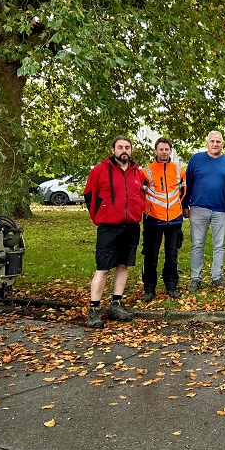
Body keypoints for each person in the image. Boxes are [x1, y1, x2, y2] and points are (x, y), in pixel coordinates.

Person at [83, 136, 146, 329]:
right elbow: (89, 196)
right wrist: (100, 217)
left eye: (127, 147)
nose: (124, 150)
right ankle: (94, 309)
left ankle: (116, 303)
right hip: (108, 227)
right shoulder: (99, 171)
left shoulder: (138, 173)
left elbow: (141, 194)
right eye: (120, 147)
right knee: (103, 268)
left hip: (131, 226)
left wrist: (137, 211)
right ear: (113, 150)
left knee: (123, 265)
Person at [182, 131, 225, 291]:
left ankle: (217, 277)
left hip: (221, 210)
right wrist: (185, 205)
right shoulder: (196, 160)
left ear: (222, 144)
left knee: (220, 245)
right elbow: (188, 184)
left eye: (218, 142)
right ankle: (195, 278)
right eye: (212, 141)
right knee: (197, 244)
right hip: (198, 209)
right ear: (207, 143)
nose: (215, 144)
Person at [140, 137, 185, 301]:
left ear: (170, 151)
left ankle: (171, 287)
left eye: (167, 149)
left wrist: (179, 208)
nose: (164, 152)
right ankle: (149, 289)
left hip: (174, 219)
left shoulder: (179, 170)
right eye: (161, 149)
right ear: (156, 151)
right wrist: (147, 209)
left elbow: (184, 191)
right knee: (151, 256)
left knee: (172, 255)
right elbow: (140, 193)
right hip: (153, 219)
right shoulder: (146, 171)